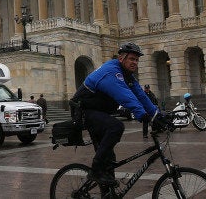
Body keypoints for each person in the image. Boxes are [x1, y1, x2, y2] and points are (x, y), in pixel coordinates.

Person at [72, 42, 167, 185]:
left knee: (109, 158)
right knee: (116, 127)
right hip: (85, 110)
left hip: (99, 112)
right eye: (132, 59)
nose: (135, 63)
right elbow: (125, 96)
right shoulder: (111, 72)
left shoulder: (127, 75)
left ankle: (107, 190)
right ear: (121, 58)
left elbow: (141, 96)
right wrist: (143, 115)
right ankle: (95, 170)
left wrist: (157, 115)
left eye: (137, 60)